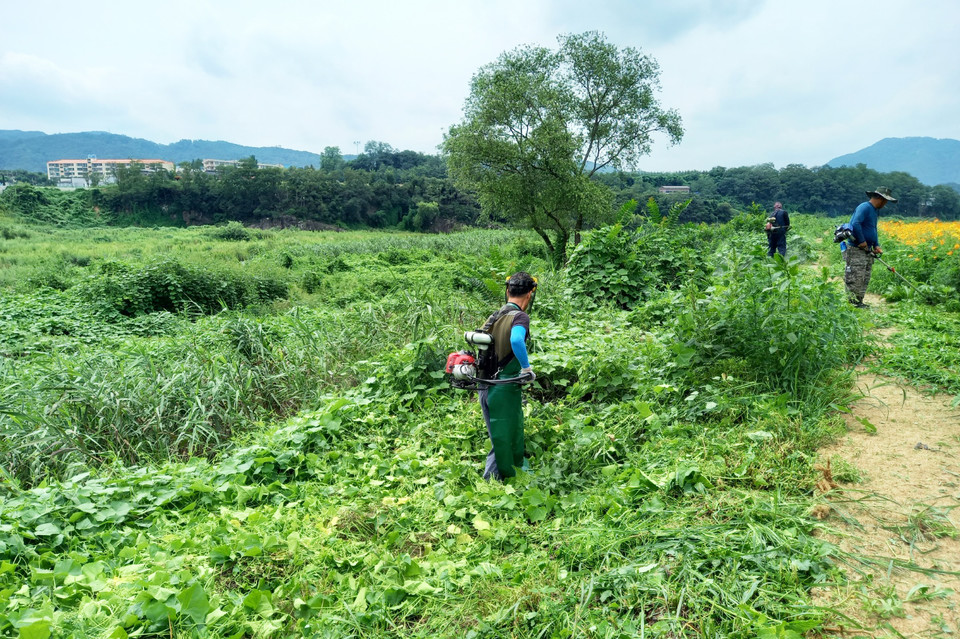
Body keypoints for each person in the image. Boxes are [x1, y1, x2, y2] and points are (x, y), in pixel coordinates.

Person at [478, 272, 537, 481]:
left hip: (484, 385)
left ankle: (501, 478)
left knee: (499, 435)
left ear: (507, 291)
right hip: (502, 388)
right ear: (530, 294)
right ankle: (492, 482)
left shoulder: (495, 315)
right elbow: (517, 341)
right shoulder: (520, 316)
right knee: (503, 438)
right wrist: (526, 369)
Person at [844, 186, 897, 308]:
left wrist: (876, 244)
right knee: (855, 275)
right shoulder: (865, 207)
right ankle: (852, 303)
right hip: (857, 249)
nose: (885, 204)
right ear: (881, 199)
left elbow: (873, 229)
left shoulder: (874, 211)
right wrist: (862, 241)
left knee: (865, 276)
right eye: (886, 201)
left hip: (867, 250)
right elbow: (856, 223)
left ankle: (859, 301)